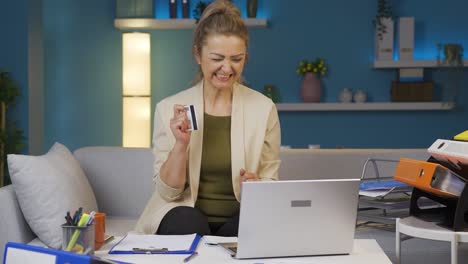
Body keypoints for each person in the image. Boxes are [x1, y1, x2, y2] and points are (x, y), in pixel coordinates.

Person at [135, 0, 280, 236]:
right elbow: (168, 193)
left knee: (256, 222)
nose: (227, 68)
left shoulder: (263, 109)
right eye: (217, 58)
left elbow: (271, 185)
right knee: (188, 221)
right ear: (198, 55)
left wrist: (256, 187)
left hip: (237, 218)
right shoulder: (169, 108)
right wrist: (181, 145)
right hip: (185, 216)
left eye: (236, 59)